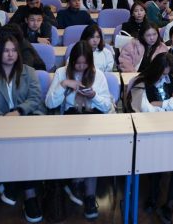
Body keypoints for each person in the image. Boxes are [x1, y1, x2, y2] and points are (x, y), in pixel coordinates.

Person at [0, 37, 44, 222]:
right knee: (18, 146)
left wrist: (18, 112)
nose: (11, 54)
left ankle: (21, 190)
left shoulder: (29, 72)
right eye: (6, 51)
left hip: (26, 119)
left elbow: (35, 98)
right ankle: (22, 189)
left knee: (25, 145)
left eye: (14, 50)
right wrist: (1, 118)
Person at [45, 41, 114, 220]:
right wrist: (64, 84)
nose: (81, 67)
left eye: (85, 64)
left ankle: (89, 195)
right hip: (70, 118)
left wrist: (94, 96)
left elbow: (107, 106)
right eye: (78, 63)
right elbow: (50, 103)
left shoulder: (98, 75)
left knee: (92, 148)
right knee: (78, 145)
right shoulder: (62, 73)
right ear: (72, 61)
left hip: (93, 117)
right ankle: (75, 181)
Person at [128, 51, 173, 222]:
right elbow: (145, 109)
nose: (165, 76)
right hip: (150, 129)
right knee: (156, 157)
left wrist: (160, 104)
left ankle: (170, 204)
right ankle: (153, 195)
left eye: (167, 73)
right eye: (162, 73)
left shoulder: (172, 79)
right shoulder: (142, 82)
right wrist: (169, 103)